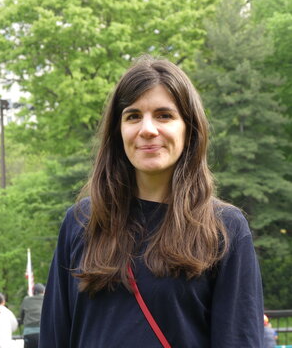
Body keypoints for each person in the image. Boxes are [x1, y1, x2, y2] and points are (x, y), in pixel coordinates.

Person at [40, 56, 264, 347]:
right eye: (133, 116)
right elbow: (54, 336)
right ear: (118, 132)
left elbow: (239, 340)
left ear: (189, 129)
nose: (147, 129)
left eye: (164, 115)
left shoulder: (225, 228)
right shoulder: (81, 222)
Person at [20, 283, 45, 348]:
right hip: (43, 333)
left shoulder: (26, 300)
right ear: (43, 291)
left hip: (28, 333)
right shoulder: (46, 299)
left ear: (33, 292)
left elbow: (22, 315)